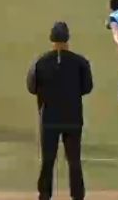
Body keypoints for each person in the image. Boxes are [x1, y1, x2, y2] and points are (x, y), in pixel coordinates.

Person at [27, 22, 93, 200]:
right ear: (68, 38)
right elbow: (87, 87)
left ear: (51, 38)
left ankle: (44, 195)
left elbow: (32, 87)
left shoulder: (41, 62)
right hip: (73, 117)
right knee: (74, 160)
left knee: (48, 160)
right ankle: (77, 195)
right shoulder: (80, 62)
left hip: (49, 118)